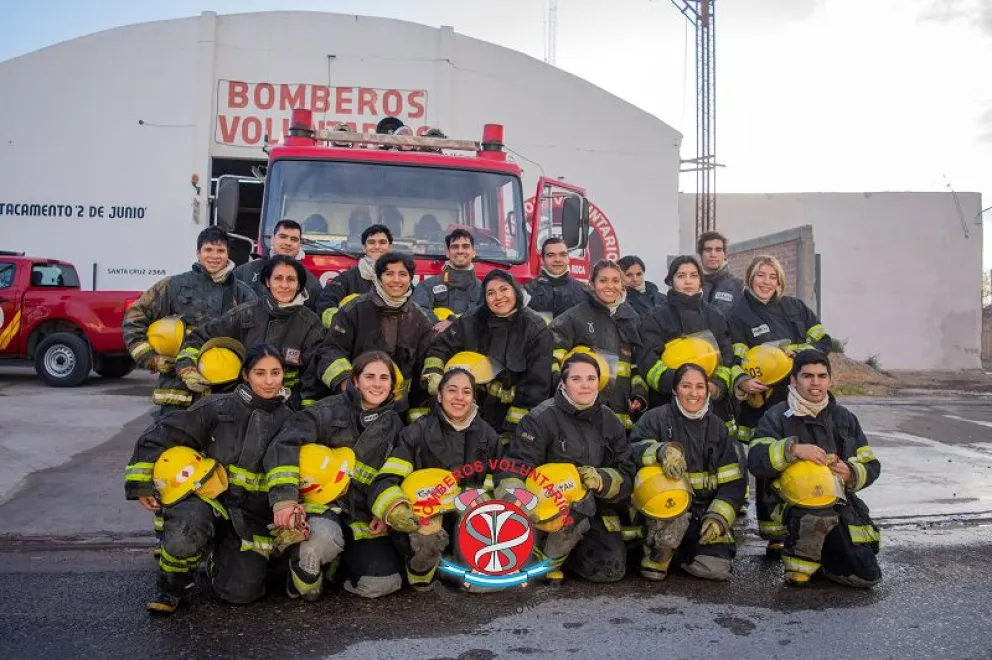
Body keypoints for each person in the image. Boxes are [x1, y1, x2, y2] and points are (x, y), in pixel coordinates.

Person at [124, 343, 298, 613]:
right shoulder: (217, 407)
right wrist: (142, 483)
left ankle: (218, 559)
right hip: (204, 499)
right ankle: (171, 588)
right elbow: (159, 436)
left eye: (275, 373)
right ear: (245, 375)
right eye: (260, 373)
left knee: (241, 593)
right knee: (186, 532)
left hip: (248, 516)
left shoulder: (290, 420)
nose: (268, 381)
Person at [269, 351, 407, 599]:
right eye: (370, 376)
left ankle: (339, 567)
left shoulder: (395, 425)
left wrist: (385, 510)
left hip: (362, 512)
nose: (377, 384)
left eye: (384, 378)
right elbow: (285, 445)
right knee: (319, 543)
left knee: (381, 584)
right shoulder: (326, 411)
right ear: (355, 381)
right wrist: (285, 499)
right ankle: (303, 575)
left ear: (392, 384)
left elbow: (392, 475)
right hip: (322, 506)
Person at [496, 353, 635, 583]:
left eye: (591, 379)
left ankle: (566, 554)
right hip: (547, 509)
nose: (585, 385)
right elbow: (515, 468)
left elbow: (627, 471)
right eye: (577, 379)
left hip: (592, 509)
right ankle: (542, 555)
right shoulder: (540, 419)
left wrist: (602, 480)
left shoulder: (610, 421)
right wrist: (520, 506)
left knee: (611, 569)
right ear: (563, 383)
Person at [748, 350, 881, 588]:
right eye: (807, 376)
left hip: (836, 501)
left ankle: (822, 558)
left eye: (821, 376)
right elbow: (756, 461)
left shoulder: (843, 417)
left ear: (830, 380)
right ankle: (799, 564)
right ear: (793, 380)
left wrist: (850, 472)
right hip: (790, 507)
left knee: (867, 576)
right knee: (812, 534)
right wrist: (793, 450)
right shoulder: (776, 417)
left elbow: (870, 464)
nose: (815, 382)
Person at [369, 368, 502, 591]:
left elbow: (501, 475)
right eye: (452, 390)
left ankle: (462, 566)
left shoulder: (487, 436)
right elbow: (388, 478)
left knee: (475, 583)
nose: (459, 397)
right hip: (426, 514)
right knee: (428, 539)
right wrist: (394, 508)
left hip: (466, 513)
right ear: (439, 396)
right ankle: (422, 570)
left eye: (466, 392)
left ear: (473, 399)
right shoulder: (416, 433)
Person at [629, 363, 746, 581]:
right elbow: (631, 450)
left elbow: (733, 483)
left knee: (716, 570)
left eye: (700, 387)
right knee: (655, 569)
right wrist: (661, 451)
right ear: (674, 390)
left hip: (702, 513)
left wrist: (718, 517)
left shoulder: (718, 428)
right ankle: (657, 550)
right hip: (664, 511)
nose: (694, 393)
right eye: (686, 386)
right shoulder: (655, 419)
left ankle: (680, 552)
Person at [122, 226, 256, 415]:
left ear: (228, 254)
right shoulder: (174, 286)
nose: (214, 256)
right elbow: (134, 318)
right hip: (178, 395)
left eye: (220, 251)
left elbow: (256, 335)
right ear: (198, 253)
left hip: (226, 389)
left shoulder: (243, 293)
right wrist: (150, 358)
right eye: (208, 250)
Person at [174, 255, 324, 407]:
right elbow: (199, 337)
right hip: (240, 407)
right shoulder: (246, 314)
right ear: (267, 281)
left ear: (299, 285)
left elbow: (312, 384)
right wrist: (187, 369)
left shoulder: (310, 324)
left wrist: (304, 419)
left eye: (291, 279)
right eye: (278, 278)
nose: (284, 285)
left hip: (287, 411)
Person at [422, 269, 552, 437]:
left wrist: (512, 432)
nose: (498, 297)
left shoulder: (535, 328)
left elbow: (536, 386)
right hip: (467, 409)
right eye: (491, 293)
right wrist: (434, 372)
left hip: (510, 415)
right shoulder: (472, 320)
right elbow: (441, 346)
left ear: (516, 291)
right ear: (485, 298)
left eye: (504, 289)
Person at [727, 255, 832, 445]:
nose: (766, 282)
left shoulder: (795, 307)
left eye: (773, 277)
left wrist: (798, 351)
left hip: (804, 398)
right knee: (768, 458)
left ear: (779, 281)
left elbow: (824, 343)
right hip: (763, 404)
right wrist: (742, 381)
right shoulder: (737, 315)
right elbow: (734, 360)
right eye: (761, 275)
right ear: (751, 277)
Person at [315, 253, 434, 412]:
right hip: (353, 405)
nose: (396, 280)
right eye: (389, 274)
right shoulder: (354, 311)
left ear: (411, 279)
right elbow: (330, 351)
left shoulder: (420, 320)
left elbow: (421, 374)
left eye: (403, 274)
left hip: (397, 409)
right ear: (378, 279)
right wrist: (346, 384)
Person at [550, 259, 646, 430]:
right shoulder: (574, 317)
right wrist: (562, 388)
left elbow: (637, 365)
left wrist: (639, 393)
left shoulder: (632, 319)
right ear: (592, 284)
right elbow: (552, 356)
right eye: (603, 280)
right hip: (581, 408)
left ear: (622, 285)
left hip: (620, 409)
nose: (610, 286)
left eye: (615, 281)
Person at [637, 256, 734, 418]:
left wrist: (717, 385)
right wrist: (680, 384)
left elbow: (726, 358)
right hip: (667, 407)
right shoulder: (656, 317)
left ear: (701, 281)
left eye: (694, 276)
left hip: (712, 409)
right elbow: (648, 362)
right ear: (671, 281)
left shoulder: (715, 316)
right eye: (681, 276)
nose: (688, 281)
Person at [315, 223, 393, 328]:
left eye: (382, 242)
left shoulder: (401, 280)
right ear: (364, 248)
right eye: (371, 242)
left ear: (390, 248)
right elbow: (324, 306)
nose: (377, 246)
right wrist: (345, 327)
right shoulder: (345, 279)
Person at [233, 219, 322, 309]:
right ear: (272, 239)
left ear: (299, 245)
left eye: (294, 239)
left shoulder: (312, 284)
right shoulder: (243, 273)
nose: (288, 243)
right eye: (283, 237)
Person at [412, 228, 483, 333]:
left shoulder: (484, 290)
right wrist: (440, 328)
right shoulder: (427, 286)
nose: (460, 251)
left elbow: (483, 318)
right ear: (447, 253)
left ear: (473, 252)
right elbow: (418, 311)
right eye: (455, 247)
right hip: (435, 343)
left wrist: (454, 324)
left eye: (465, 246)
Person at [524, 237, 586, 322]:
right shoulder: (526, 292)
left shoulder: (584, 291)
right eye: (551, 255)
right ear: (542, 260)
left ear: (568, 258)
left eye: (562, 255)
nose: (557, 260)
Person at [698, 231, 744, 317]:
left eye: (718, 250)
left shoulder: (737, 285)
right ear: (701, 254)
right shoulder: (693, 283)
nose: (713, 254)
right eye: (708, 250)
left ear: (725, 254)